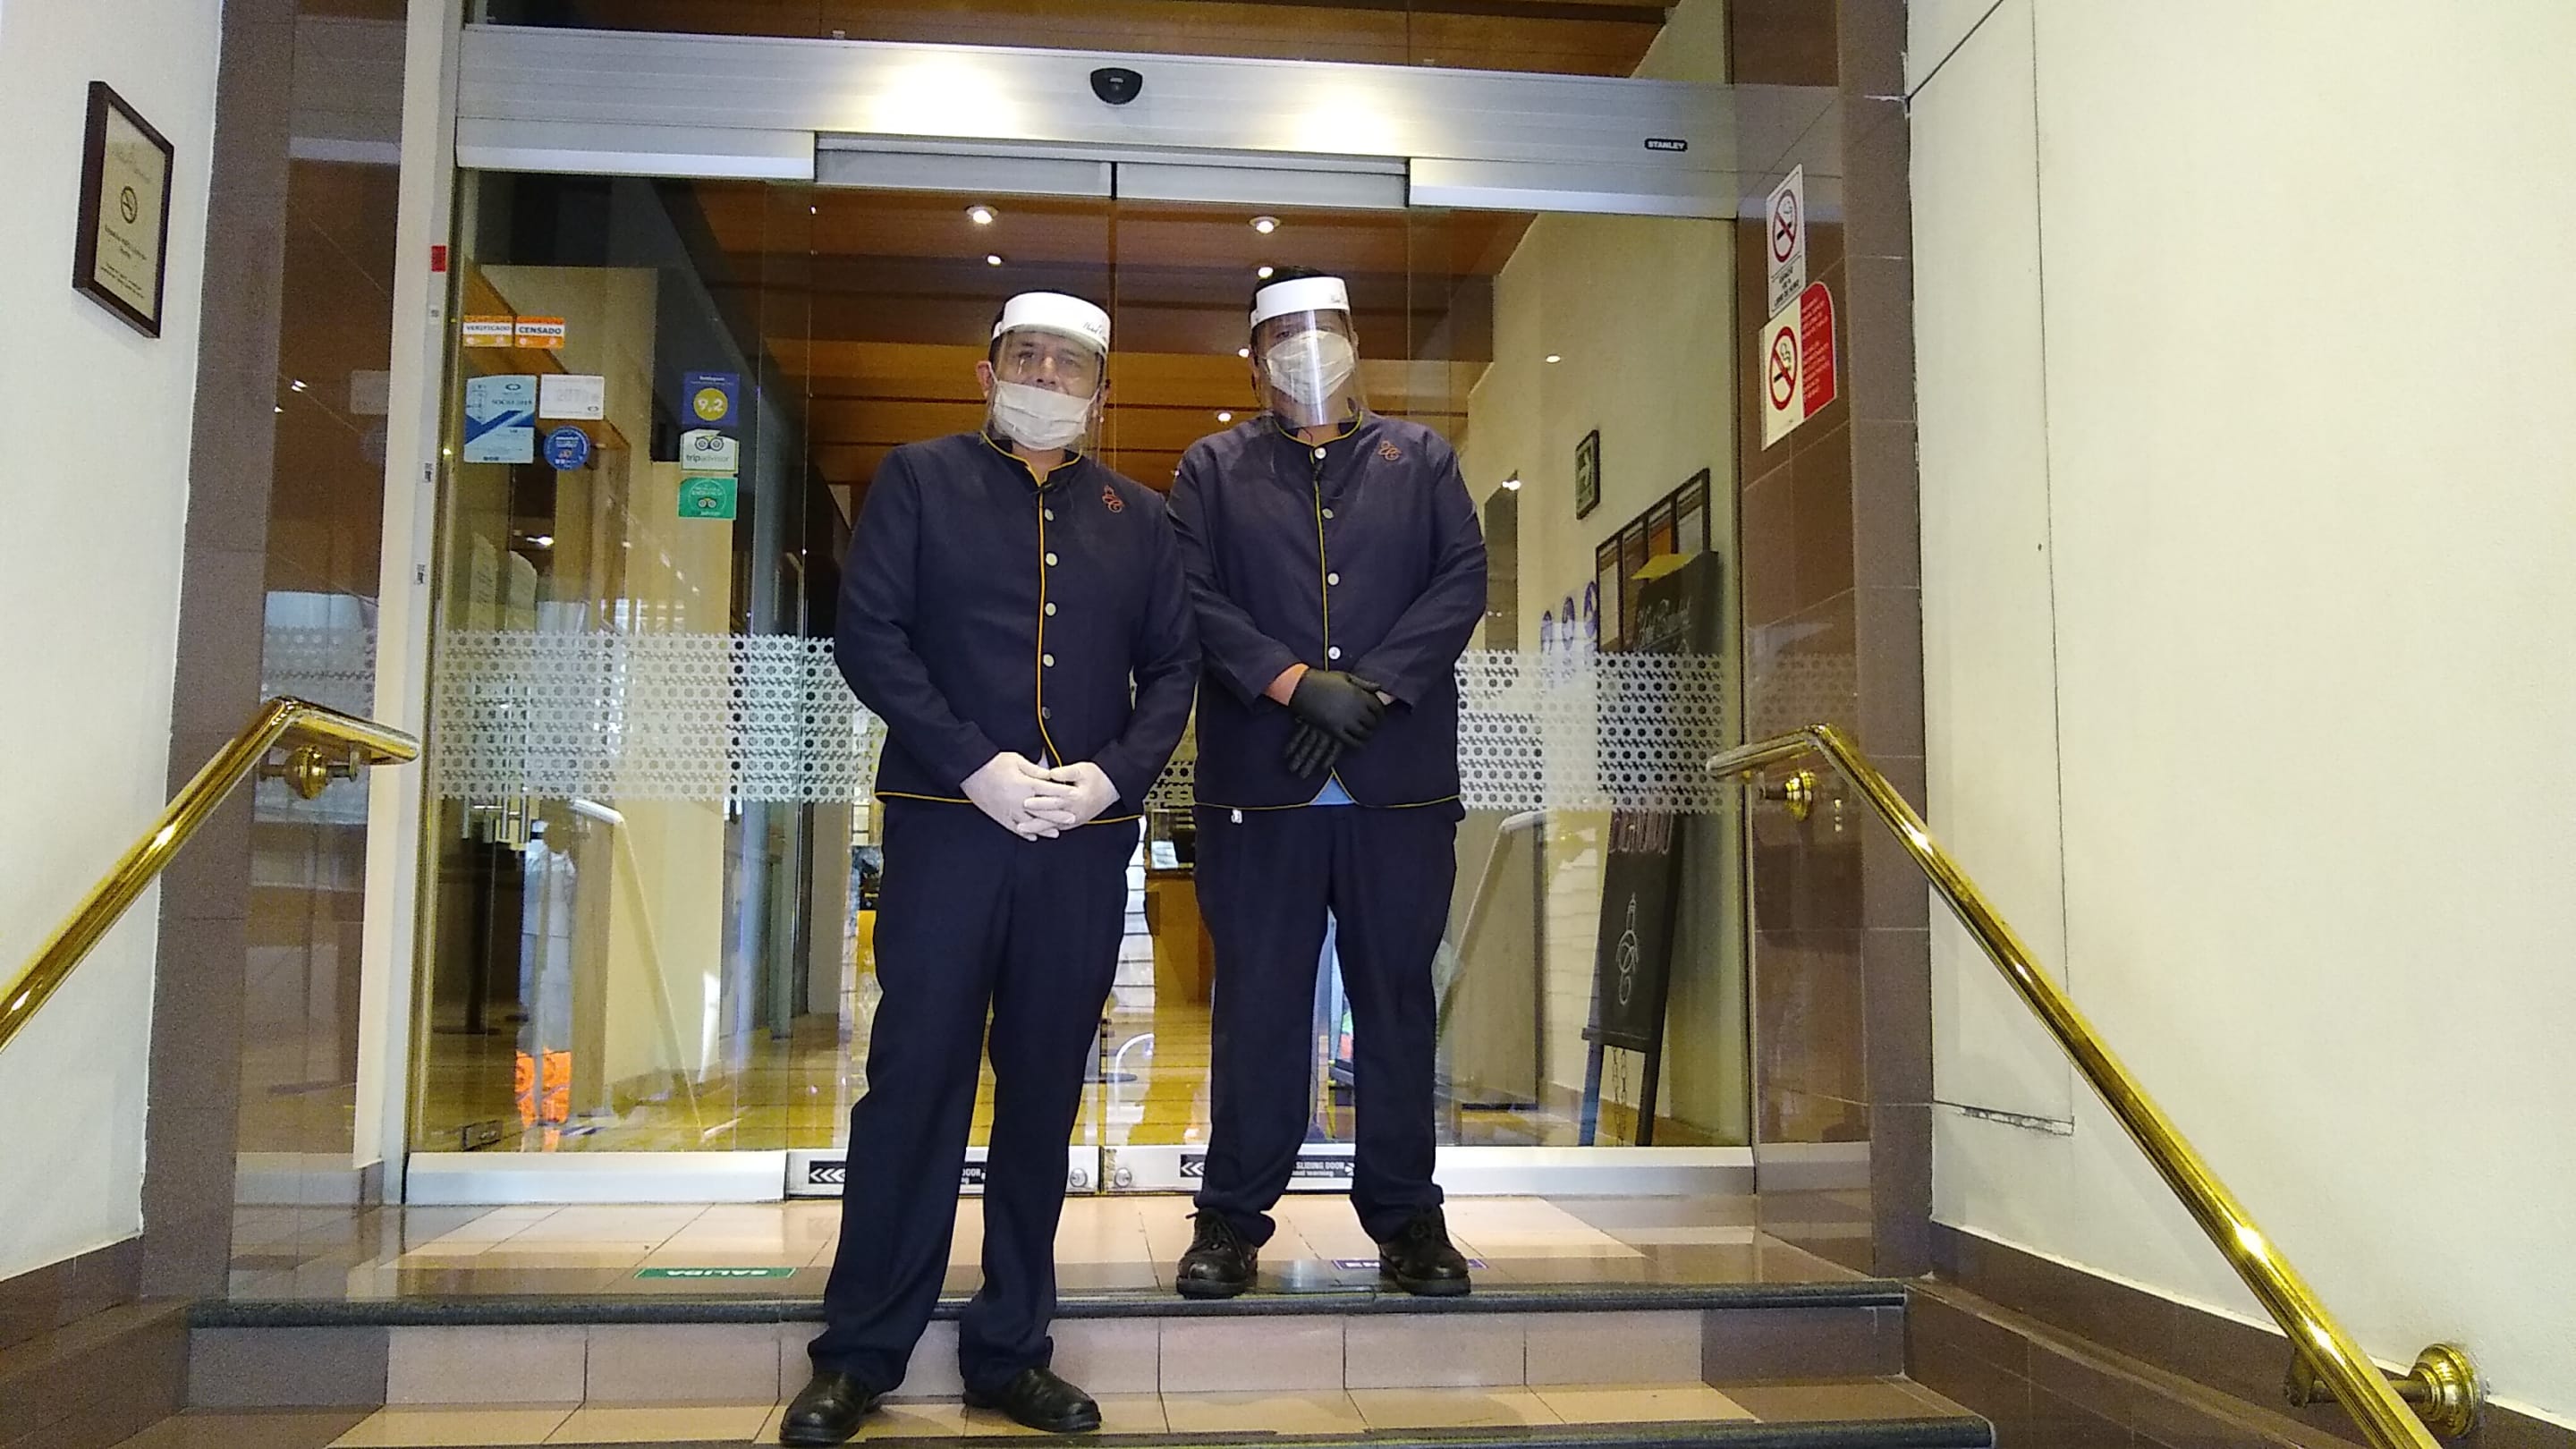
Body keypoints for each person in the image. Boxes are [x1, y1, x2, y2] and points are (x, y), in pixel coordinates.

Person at [784, 292, 1198, 1445]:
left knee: (1044, 1092)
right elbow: (870, 637)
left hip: (1080, 844)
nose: (1047, 377)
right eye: (1028, 357)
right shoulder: (918, 479)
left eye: (1071, 365)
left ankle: (1012, 1348)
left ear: (1102, 392)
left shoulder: (1142, 517)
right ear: (987, 372)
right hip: (945, 828)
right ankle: (860, 1352)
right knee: (913, 1080)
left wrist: (1113, 779)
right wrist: (972, 764)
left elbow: (1174, 668)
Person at [1165, 268, 1487, 1300]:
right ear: (1254, 359)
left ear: (1355, 339)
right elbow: (1191, 596)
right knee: (1257, 1005)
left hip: (1401, 788)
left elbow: (1461, 580)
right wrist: (1297, 686)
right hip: (1260, 789)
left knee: (1395, 1002)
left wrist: (1373, 691)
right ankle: (1229, 1220)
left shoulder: (1421, 458)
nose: (1308, 348)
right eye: (1284, 334)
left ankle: (1409, 1219)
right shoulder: (1211, 469)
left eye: (1325, 328)